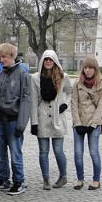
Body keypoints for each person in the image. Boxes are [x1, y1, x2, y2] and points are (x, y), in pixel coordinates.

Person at [0, 43, 31, 195]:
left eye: (3, 57)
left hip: (14, 121)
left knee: (15, 153)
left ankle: (19, 181)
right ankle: (3, 179)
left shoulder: (22, 74)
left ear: (12, 56)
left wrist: (22, 124)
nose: (1, 60)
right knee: (0, 153)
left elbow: (26, 100)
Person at [30, 50, 71, 190]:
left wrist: (65, 104)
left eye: (50, 59)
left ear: (54, 61)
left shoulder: (63, 76)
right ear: (42, 61)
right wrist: (34, 123)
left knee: (58, 150)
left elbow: (70, 93)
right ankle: (46, 178)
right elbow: (34, 101)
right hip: (42, 117)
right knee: (43, 151)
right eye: (46, 59)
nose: (48, 62)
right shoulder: (35, 78)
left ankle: (63, 176)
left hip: (57, 117)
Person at [71, 56, 102, 191]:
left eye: (90, 68)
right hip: (79, 122)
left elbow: (101, 105)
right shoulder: (77, 83)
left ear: (95, 69)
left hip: (94, 123)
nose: (88, 70)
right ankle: (80, 179)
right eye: (85, 68)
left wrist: (93, 124)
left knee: (93, 152)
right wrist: (77, 123)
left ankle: (96, 179)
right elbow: (74, 103)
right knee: (78, 152)